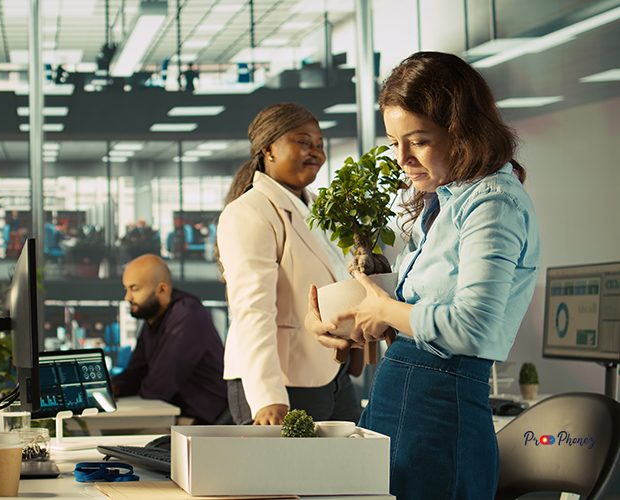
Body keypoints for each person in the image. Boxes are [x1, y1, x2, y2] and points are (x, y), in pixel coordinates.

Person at [306, 51, 540, 499]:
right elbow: (423, 306)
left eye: (419, 141)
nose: (402, 158)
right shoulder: (444, 202)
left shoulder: (492, 205)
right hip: (401, 401)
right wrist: (352, 318)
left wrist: (386, 311)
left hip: (438, 416)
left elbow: (473, 327)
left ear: (464, 133)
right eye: (395, 142)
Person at [217, 103, 362, 426]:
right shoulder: (250, 212)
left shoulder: (317, 210)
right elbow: (253, 310)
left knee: (351, 472)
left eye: (320, 145)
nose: (316, 152)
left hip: (331, 375)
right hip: (280, 382)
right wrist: (268, 397)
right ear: (268, 148)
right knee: (285, 477)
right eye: (303, 142)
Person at [111, 254, 229, 424]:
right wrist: (112, 388)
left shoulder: (187, 315)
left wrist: (128, 386)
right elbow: (136, 372)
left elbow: (159, 385)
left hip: (211, 424)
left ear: (162, 289)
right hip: (183, 419)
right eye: (126, 289)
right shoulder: (154, 319)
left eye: (134, 289)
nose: (127, 297)